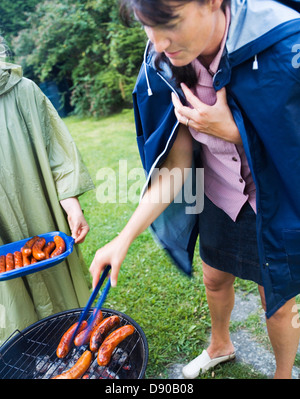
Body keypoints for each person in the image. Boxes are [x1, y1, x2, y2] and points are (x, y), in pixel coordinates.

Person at [90, 0, 300, 379]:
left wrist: (236, 132)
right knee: (214, 277)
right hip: (219, 192)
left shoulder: (286, 41)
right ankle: (220, 345)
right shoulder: (169, 58)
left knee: (278, 301)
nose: (157, 42)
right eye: (146, 26)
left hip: (273, 195)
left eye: (167, 22)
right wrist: (122, 239)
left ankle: (283, 375)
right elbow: (176, 164)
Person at [0, 57, 95, 343]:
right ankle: (25, 351)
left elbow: (58, 152)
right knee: (13, 301)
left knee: (59, 283)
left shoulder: (25, 92)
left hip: (41, 211)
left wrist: (72, 205)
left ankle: (75, 341)